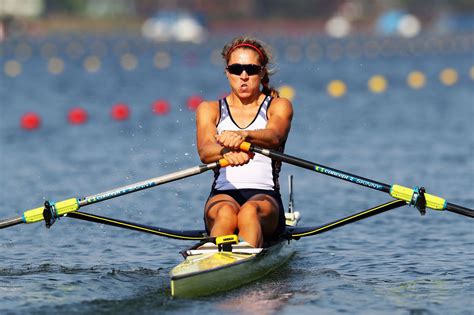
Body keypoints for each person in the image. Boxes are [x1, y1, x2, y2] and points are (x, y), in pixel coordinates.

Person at [196, 36, 293, 248]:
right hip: (221, 197)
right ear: (227, 73)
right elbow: (205, 150)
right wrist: (225, 153)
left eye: (251, 69)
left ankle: (242, 262)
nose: (243, 76)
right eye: (236, 69)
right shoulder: (209, 109)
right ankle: (214, 264)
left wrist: (244, 136)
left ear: (262, 72)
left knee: (248, 212)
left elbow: (275, 135)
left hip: (265, 199)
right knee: (226, 213)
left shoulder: (278, 106)